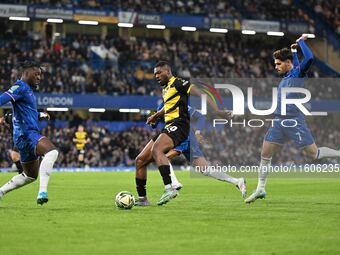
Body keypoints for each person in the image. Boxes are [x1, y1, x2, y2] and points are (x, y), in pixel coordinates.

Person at [245, 35, 340, 203]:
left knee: (314, 154)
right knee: (265, 153)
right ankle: (260, 188)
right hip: (279, 121)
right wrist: (294, 50)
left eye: (278, 63)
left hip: (294, 120)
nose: (276, 66)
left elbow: (309, 58)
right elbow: (296, 63)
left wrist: (302, 41)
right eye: (275, 64)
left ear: (288, 63)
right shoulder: (289, 75)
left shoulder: (298, 74)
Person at [0, 61, 59, 205]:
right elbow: (2, 99)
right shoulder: (20, 87)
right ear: (26, 73)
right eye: (36, 74)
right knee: (52, 152)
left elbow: (25, 113)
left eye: (40, 75)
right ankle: (42, 192)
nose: (39, 77)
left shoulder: (27, 90)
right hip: (27, 134)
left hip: (22, 136)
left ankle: (0, 191)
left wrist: (39, 115)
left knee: (30, 175)